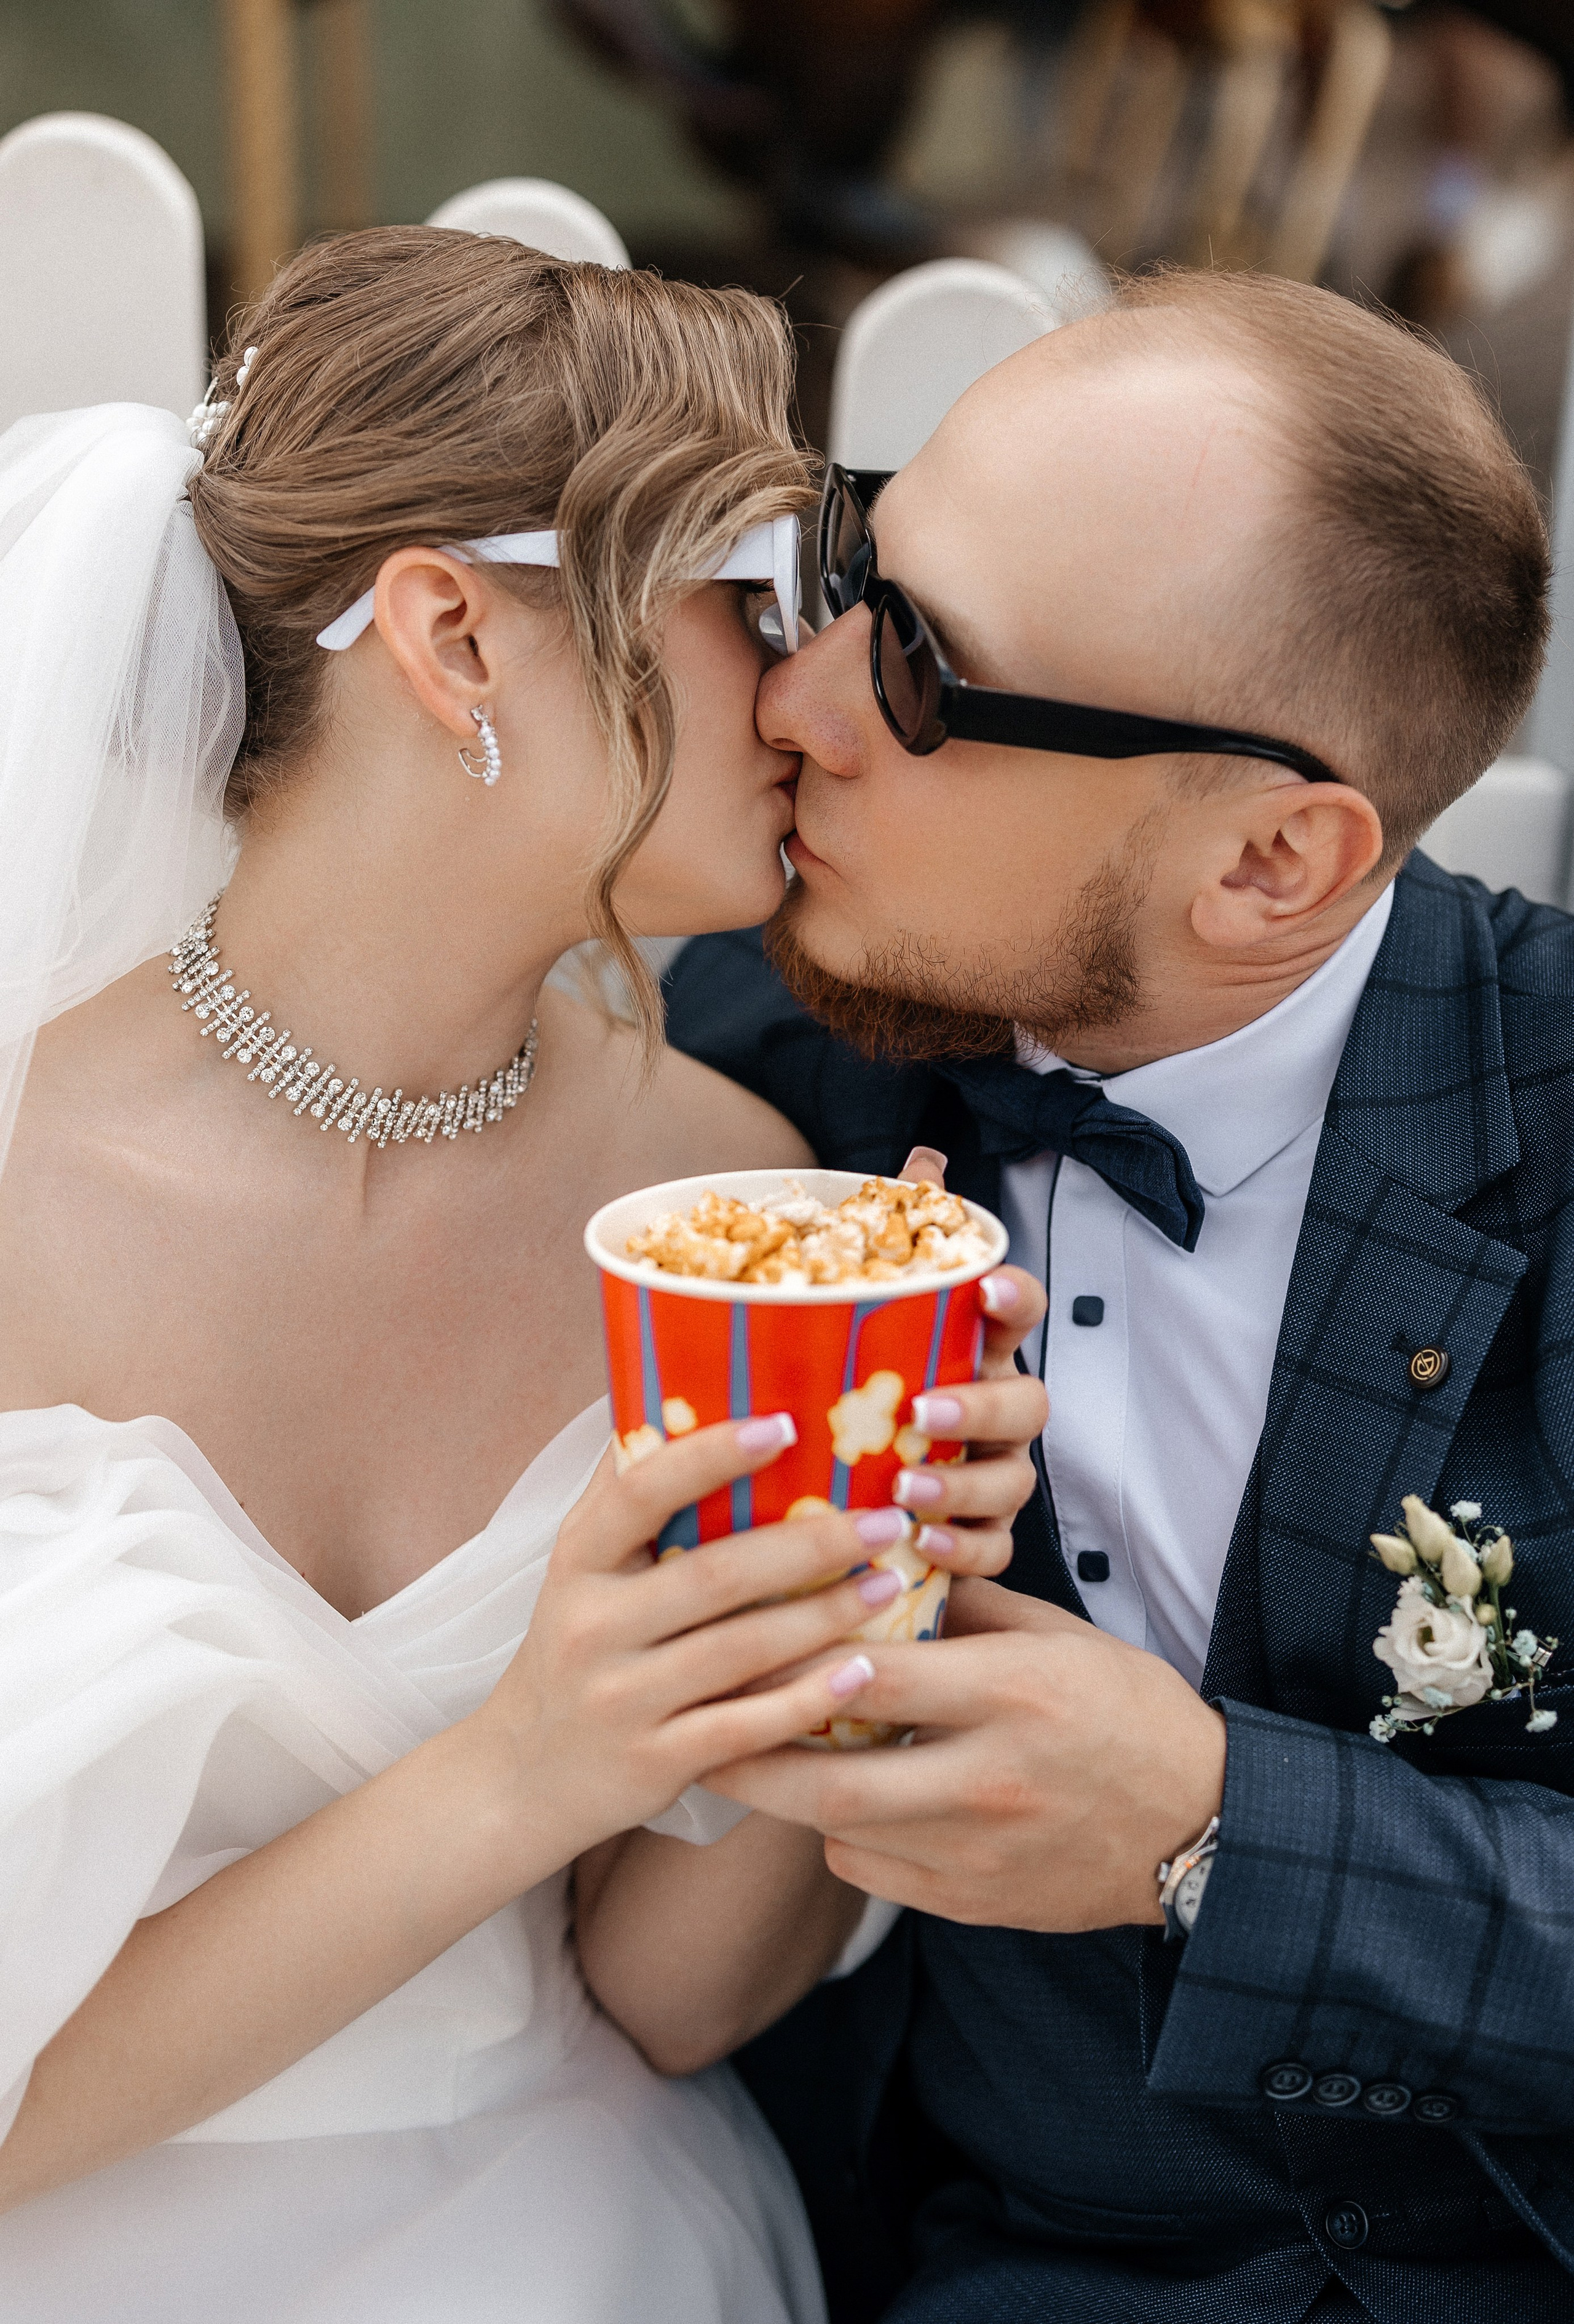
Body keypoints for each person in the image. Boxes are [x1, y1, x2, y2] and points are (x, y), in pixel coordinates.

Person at [0, 227, 1048, 2323]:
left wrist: (863, 1599)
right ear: (454, 640)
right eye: (750, 595)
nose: (820, 685)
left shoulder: (727, 1196)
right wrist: (527, 1763)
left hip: (583, 2233)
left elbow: (662, 2003)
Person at [663, 267, 1574, 2320]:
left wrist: (1218, 1832)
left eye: (921, 675)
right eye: (846, 580)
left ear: (1269, 863)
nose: (794, 707)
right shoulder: (748, 1094)